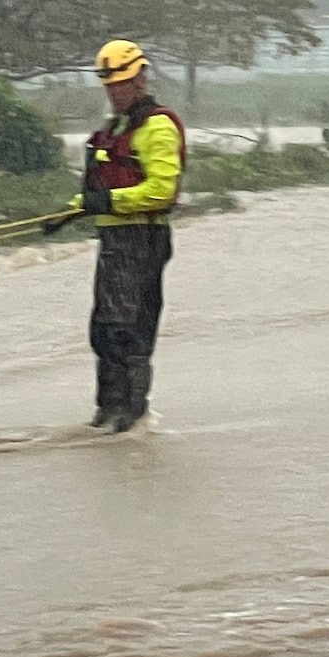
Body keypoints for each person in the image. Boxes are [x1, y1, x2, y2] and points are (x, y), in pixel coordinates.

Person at [72, 40, 186, 433]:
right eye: (110, 86)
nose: (115, 92)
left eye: (121, 84)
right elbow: (103, 189)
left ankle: (132, 419)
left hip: (143, 239)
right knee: (104, 330)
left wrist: (109, 201)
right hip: (114, 241)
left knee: (127, 330)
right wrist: (80, 204)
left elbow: (161, 191)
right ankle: (107, 413)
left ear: (140, 79)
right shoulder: (115, 129)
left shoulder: (158, 127)